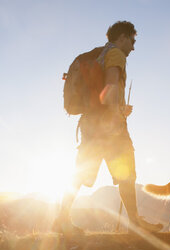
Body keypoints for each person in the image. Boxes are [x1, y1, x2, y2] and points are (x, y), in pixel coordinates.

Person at [54, 21, 163, 234]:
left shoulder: (99, 55)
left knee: (80, 173)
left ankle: (61, 218)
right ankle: (134, 223)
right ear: (122, 37)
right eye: (132, 41)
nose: (133, 47)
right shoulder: (115, 55)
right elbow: (110, 87)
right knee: (127, 174)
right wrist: (118, 114)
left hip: (90, 124)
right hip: (110, 127)